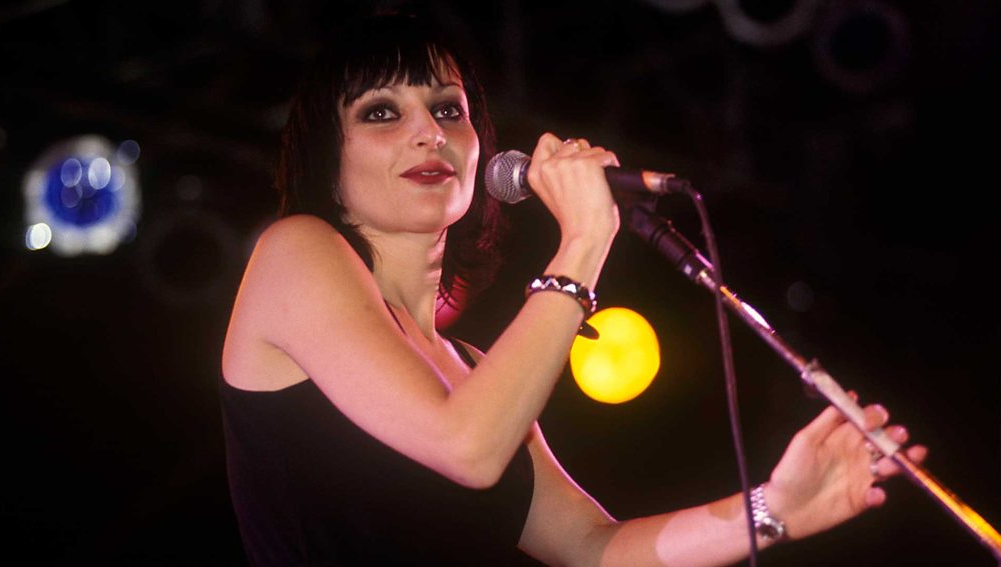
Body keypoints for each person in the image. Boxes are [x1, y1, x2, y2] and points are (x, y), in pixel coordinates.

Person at [219, 13, 927, 566]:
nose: (428, 133)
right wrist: (584, 241)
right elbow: (466, 447)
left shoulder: (475, 370)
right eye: (381, 112)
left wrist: (772, 510)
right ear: (328, 159)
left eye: (448, 110)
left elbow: (592, 547)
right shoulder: (295, 252)